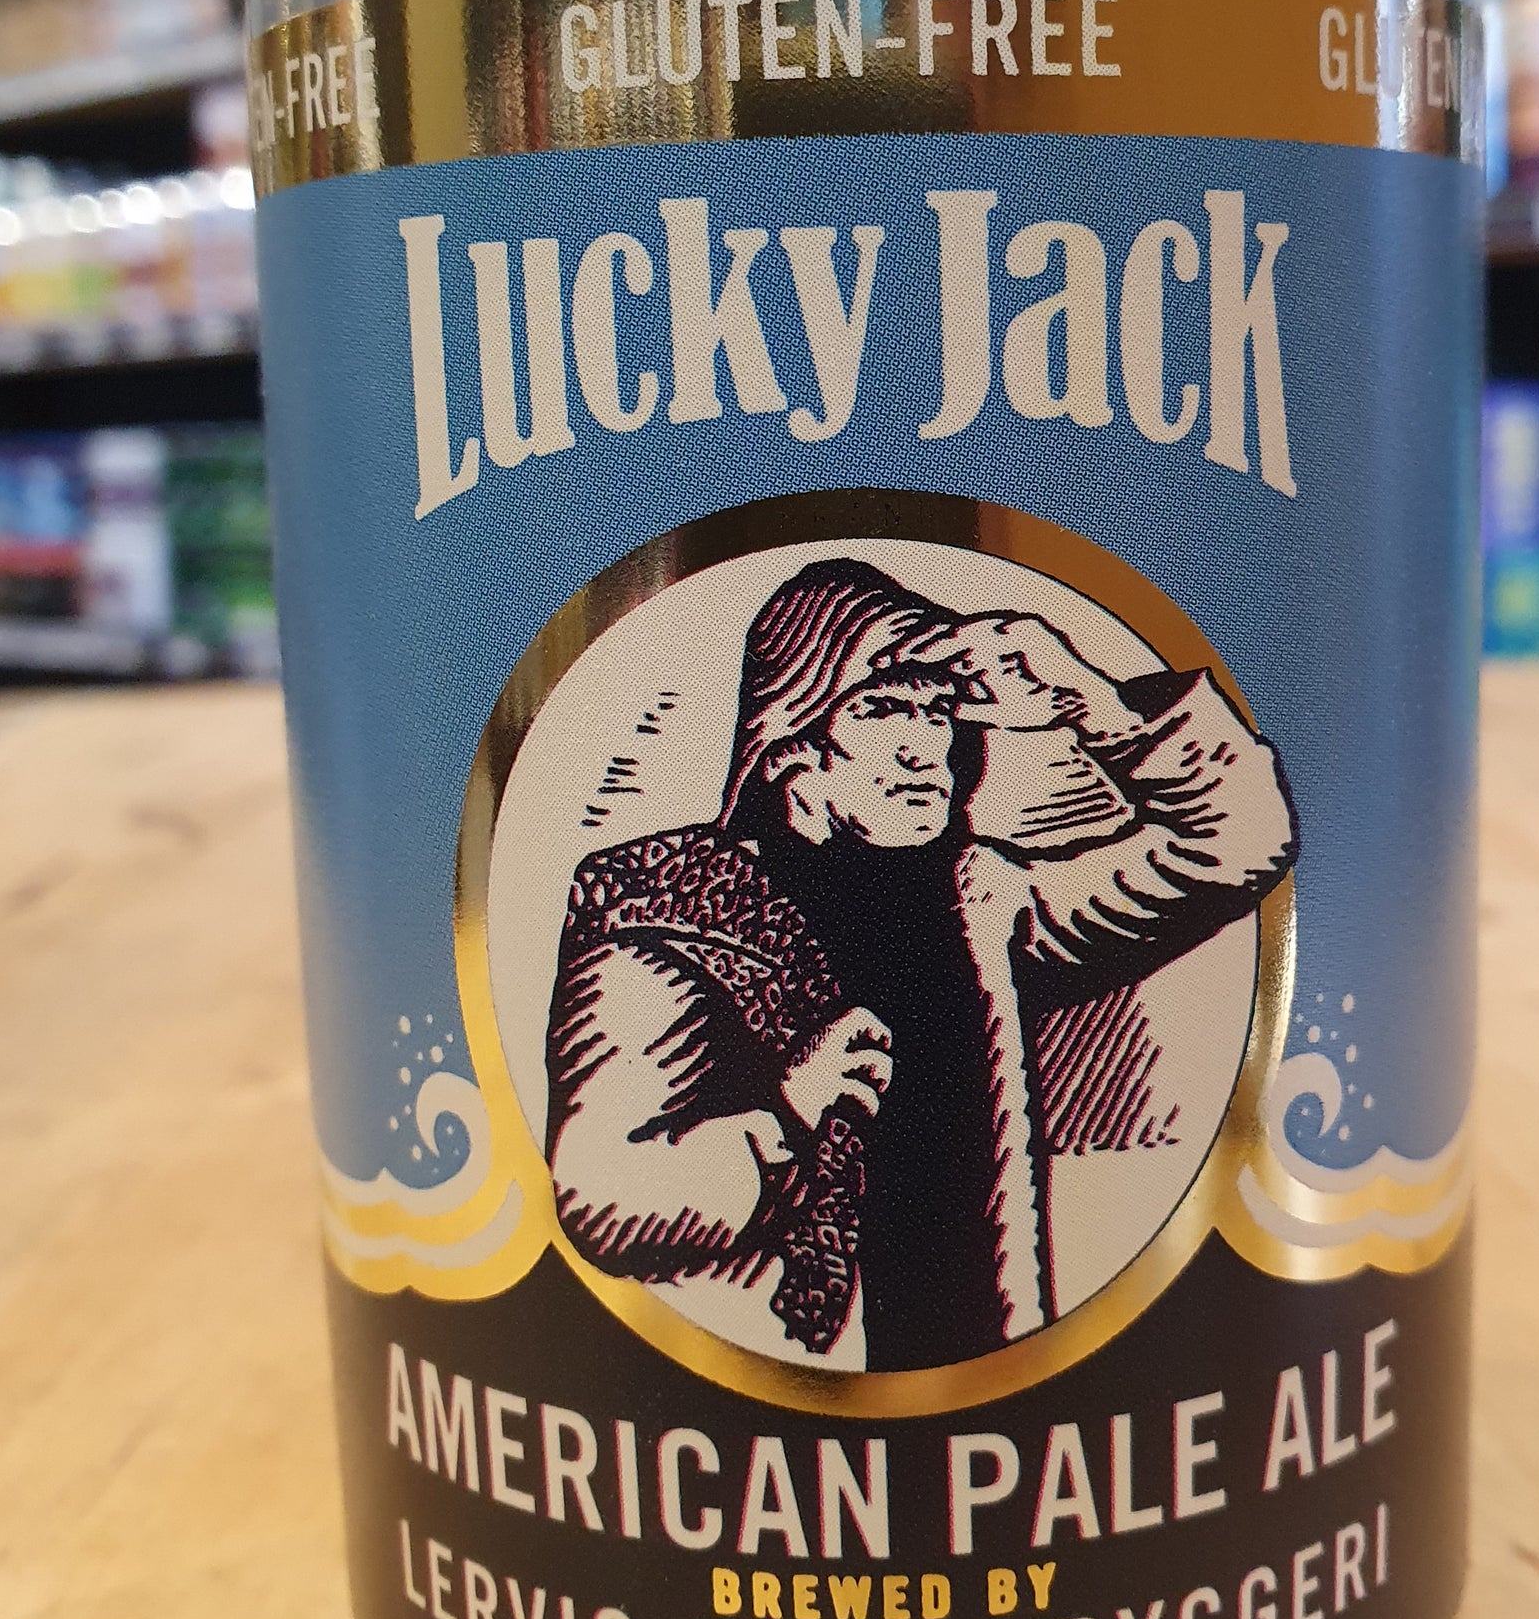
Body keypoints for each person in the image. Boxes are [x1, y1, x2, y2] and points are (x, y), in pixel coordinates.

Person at [544, 555, 1298, 1372]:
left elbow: (1241, 840)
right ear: (789, 745)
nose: (923, 747)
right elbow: (604, 1198)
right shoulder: (667, 908)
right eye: (880, 708)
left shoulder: (977, 895)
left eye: (936, 709)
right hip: (771, 1395)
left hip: (1005, 1376)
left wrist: (1093, 700)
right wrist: (791, 1108)